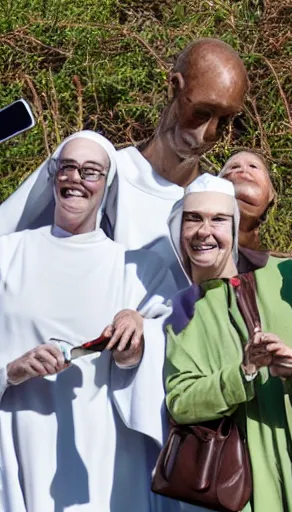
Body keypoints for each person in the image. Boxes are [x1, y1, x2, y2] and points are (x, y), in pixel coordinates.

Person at [0, 131, 178, 512]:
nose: (76, 178)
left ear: (107, 185)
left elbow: (176, 359)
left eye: (91, 171)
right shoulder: (6, 256)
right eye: (67, 167)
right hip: (16, 449)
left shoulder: (139, 272)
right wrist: (10, 371)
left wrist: (139, 340)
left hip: (106, 465)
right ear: (53, 176)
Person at [0, 39, 249, 288]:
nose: (209, 133)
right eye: (202, 113)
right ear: (174, 87)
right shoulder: (100, 173)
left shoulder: (216, 205)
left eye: (224, 120)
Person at [164, 173, 292, 512]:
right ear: (178, 229)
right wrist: (243, 373)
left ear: (233, 228)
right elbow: (180, 403)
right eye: (193, 219)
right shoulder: (179, 314)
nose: (204, 230)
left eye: (218, 219)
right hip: (246, 488)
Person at [219, 150, 275, 251]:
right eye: (234, 167)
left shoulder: (290, 266)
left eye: (253, 166)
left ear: (271, 194)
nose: (243, 170)